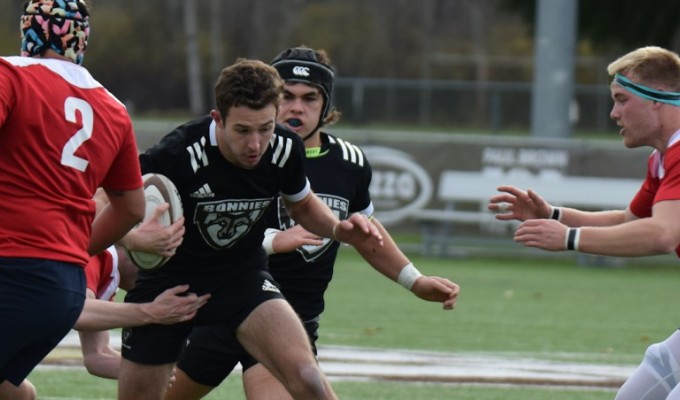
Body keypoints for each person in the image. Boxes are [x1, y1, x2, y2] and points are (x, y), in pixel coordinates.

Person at [161, 46, 460, 400]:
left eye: (310, 97)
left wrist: (415, 280)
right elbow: (204, 233)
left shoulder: (348, 162)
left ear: (327, 105)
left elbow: (365, 232)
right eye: (286, 95)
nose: (297, 108)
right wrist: (273, 241)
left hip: (288, 325)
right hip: (218, 311)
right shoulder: (237, 152)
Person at [117, 58, 384, 400]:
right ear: (219, 119)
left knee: (307, 377)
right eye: (243, 130)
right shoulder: (178, 153)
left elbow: (301, 204)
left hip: (241, 278)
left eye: (266, 128)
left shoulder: (286, 147)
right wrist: (132, 236)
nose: (256, 144)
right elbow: (103, 198)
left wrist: (338, 230)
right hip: (172, 282)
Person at [488, 46, 680, 400]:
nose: (613, 112)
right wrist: (553, 215)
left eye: (622, 100)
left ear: (658, 100)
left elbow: (662, 235)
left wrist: (570, 238)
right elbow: (629, 221)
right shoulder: (663, 157)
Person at [0, 1, 147, 399]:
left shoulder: (10, 74)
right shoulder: (114, 108)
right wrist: (70, 251)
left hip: (10, 271)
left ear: (29, 31)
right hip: (63, 288)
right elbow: (132, 209)